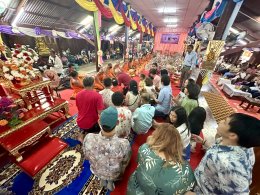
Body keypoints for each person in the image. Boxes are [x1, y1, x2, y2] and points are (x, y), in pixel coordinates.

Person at [185, 113, 260, 195]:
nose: (220, 121)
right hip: (200, 179)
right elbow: (218, 152)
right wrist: (204, 142)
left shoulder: (232, 167)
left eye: (225, 122)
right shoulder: (239, 145)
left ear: (233, 135)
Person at [127, 123, 195, 194]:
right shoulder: (186, 171)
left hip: (135, 188)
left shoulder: (144, 148)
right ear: (177, 143)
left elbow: (138, 161)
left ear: (156, 135)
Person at [83, 106, 131, 191]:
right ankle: (110, 182)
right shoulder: (124, 144)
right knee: (113, 172)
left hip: (97, 170)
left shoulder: (88, 138)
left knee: (101, 172)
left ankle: (102, 179)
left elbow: (86, 156)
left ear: (99, 122)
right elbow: (125, 163)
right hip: (114, 174)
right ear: (117, 123)